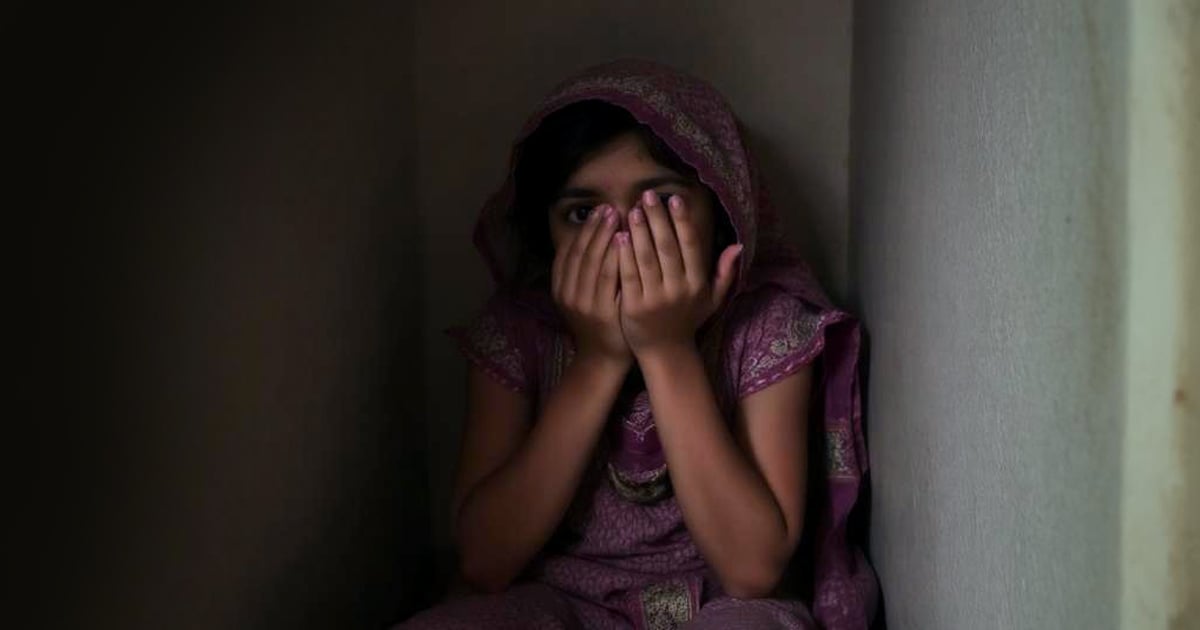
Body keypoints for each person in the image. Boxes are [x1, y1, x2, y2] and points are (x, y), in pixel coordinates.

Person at [399, 59, 877, 630]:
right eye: (583, 214)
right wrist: (599, 360)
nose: (624, 240)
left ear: (722, 213)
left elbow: (753, 571)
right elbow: (484, 563)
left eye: (660, 205)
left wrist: (667, 350)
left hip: (721, 607)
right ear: (547, 237)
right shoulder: (519, 330)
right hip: (554, 603)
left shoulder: (766, 328)